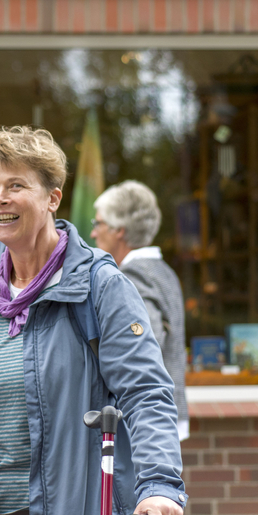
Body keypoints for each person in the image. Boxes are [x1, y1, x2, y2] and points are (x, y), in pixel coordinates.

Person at [0, 127, 186, 515]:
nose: (0, 199)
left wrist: (160, 484)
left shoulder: (101, 287)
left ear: (52, 197)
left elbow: (145, 392)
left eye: (16, 186)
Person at [93, 181, 189, 441]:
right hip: (166, 408)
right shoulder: (162, 270)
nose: (93, 233)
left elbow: (147, 337)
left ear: (119, 231)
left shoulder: (132, 274)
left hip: (145, 417)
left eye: (98, 223)